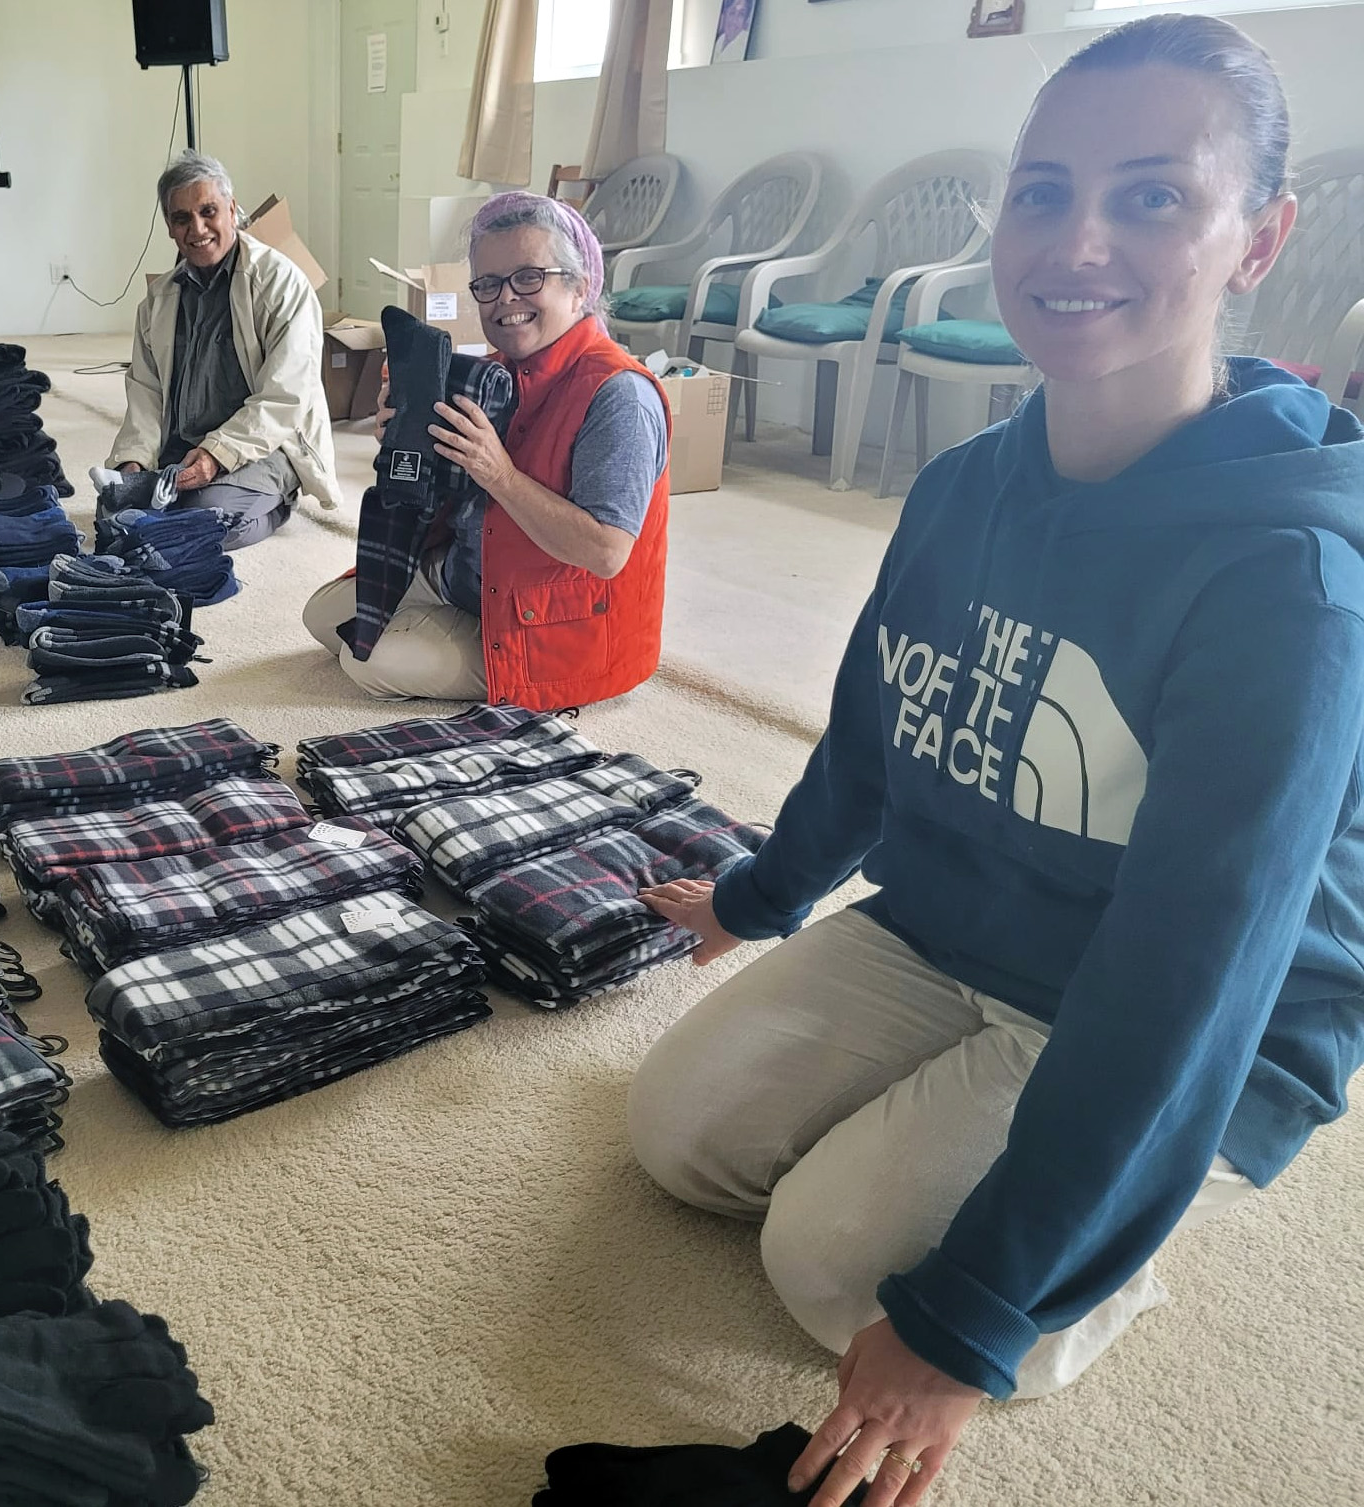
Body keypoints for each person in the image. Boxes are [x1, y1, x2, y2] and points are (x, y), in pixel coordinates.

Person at [625, 15, 1364, 1506]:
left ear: (1255, 238)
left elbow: (1190, 974)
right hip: (958, 920)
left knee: (830, 1266)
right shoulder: (963, 482)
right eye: (1042, 190)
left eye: (1152, 194)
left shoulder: (1287, 577)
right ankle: (999, 1169)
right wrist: (758, 899)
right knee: (676, 1136)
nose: (1075, 239)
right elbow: (874, 734)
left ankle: (1124, 1240)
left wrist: (970, 1318)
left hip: (1186, 1010)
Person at [302, 192, 671, 709]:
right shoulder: (490, 372)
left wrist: (499, 473)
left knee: (368, 660)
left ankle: (476, 650)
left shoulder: (620, 396)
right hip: (472, 576)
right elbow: (445, 493)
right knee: (321, 616)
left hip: (553, 619)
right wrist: (405, 444)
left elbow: (605, 553)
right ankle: (443, 626)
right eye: (488, 284)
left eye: (528, 278)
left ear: (579, 287)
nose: (505, 300)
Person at [104, 150, 337, 548]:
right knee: (113, 514)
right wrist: (134, 464)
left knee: (201, 519)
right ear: (170, 228)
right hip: (183, 451)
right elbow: (145, 391)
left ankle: (276, 501)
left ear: (232, 210)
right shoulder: (158, 300)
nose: (197, 229)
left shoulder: (282, 284)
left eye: (208, 211)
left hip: (263, 448)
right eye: (182, 218)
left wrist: (217, 455)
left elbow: (286, 397)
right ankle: (172, 508)